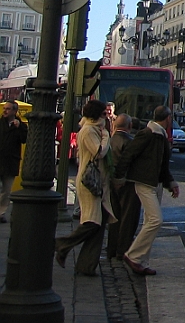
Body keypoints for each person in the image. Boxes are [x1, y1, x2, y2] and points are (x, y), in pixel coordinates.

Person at [113, 106, 179, 276]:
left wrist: (170, 182)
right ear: (168, 118)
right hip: (143, 182)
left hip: (151, 181)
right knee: (156, 220)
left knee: (150, 220)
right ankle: (133, 255)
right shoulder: (148, 134)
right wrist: (120, 177)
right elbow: (129, 154)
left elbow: (163, 164)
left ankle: (142, 260)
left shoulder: (160, 136)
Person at [54, 100, 114, 275]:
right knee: (92, 222)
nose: (107, 116)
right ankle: (62, 244)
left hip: (100, 181)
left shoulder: (97, 129)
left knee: (100, 224)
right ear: (97, 115)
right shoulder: (89, 131)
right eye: (104, 113)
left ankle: (86, 265)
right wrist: (106, 136)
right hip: (90, 181)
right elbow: (99, 151)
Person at [105, 113, 134, 260]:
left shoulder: (110, 140)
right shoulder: (129, 141)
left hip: (111, 181)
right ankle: (122, 250)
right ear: (130, 126)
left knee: (114, 217)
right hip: (125, 182)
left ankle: (111, 248)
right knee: (126, 218)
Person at [0, 100, 28, 223]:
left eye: (8, 109)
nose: (5, 111)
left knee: (6, 190)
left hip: (10, 161)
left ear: (15, 111)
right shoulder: (0, 123)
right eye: (4, 108)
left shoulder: (20, 125)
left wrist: (20, 127)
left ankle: (1, 212)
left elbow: (24, 139)